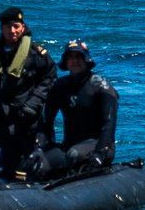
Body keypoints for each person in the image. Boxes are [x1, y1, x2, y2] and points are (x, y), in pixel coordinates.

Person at [0, 6, 55, 182]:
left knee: (24, 168)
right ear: (1, 29)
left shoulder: (37, 54)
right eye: (8, 27)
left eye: (16, 26)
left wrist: (32, 104)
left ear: (23, 27)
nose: (12, 31)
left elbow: (49, 79)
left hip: (25, 119)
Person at [31, 39, 118, 178]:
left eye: (79, 57)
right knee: (39, 163)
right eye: (70, 57)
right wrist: (41, 147)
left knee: (74, 154)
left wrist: (100, 153)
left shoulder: (102, 86)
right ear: (65, 62)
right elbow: (47, 121)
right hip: (70, 144)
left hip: (98, 145)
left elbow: (109, 123)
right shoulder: (60, 86)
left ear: (86, 59)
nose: (75, 61)